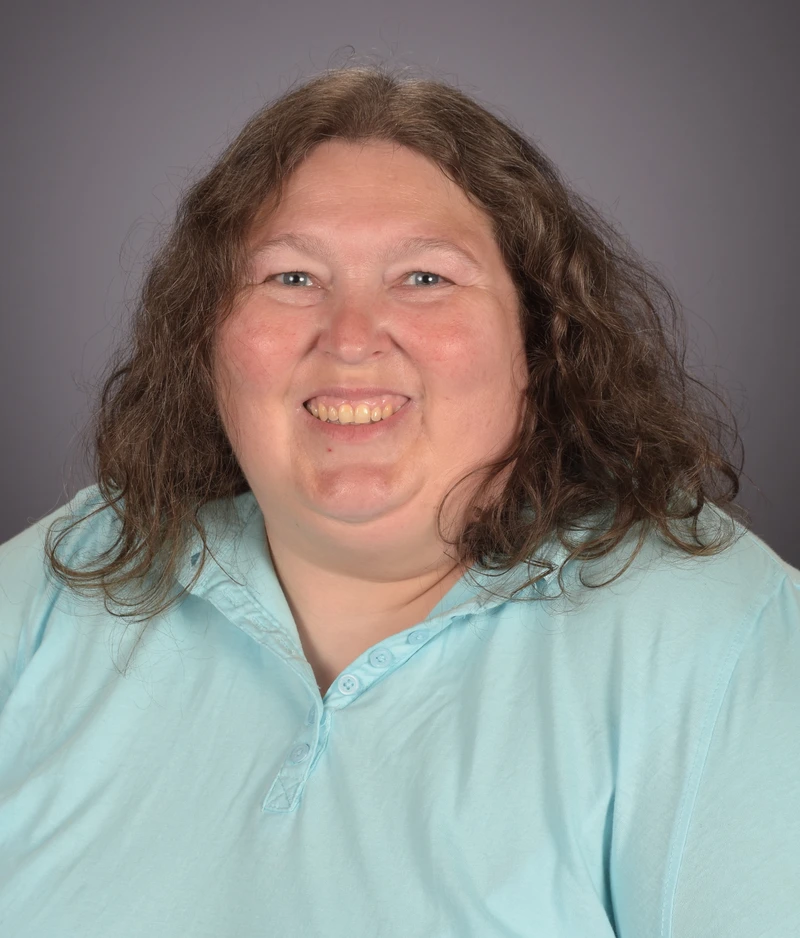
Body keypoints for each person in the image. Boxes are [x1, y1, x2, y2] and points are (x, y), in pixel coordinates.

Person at [1, 64, 798, 937]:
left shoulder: (721, 632)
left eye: (425, 278)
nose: (349, 340)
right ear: (207, 340)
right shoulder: (59, 582)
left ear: (541, 336)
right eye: (291, 278)